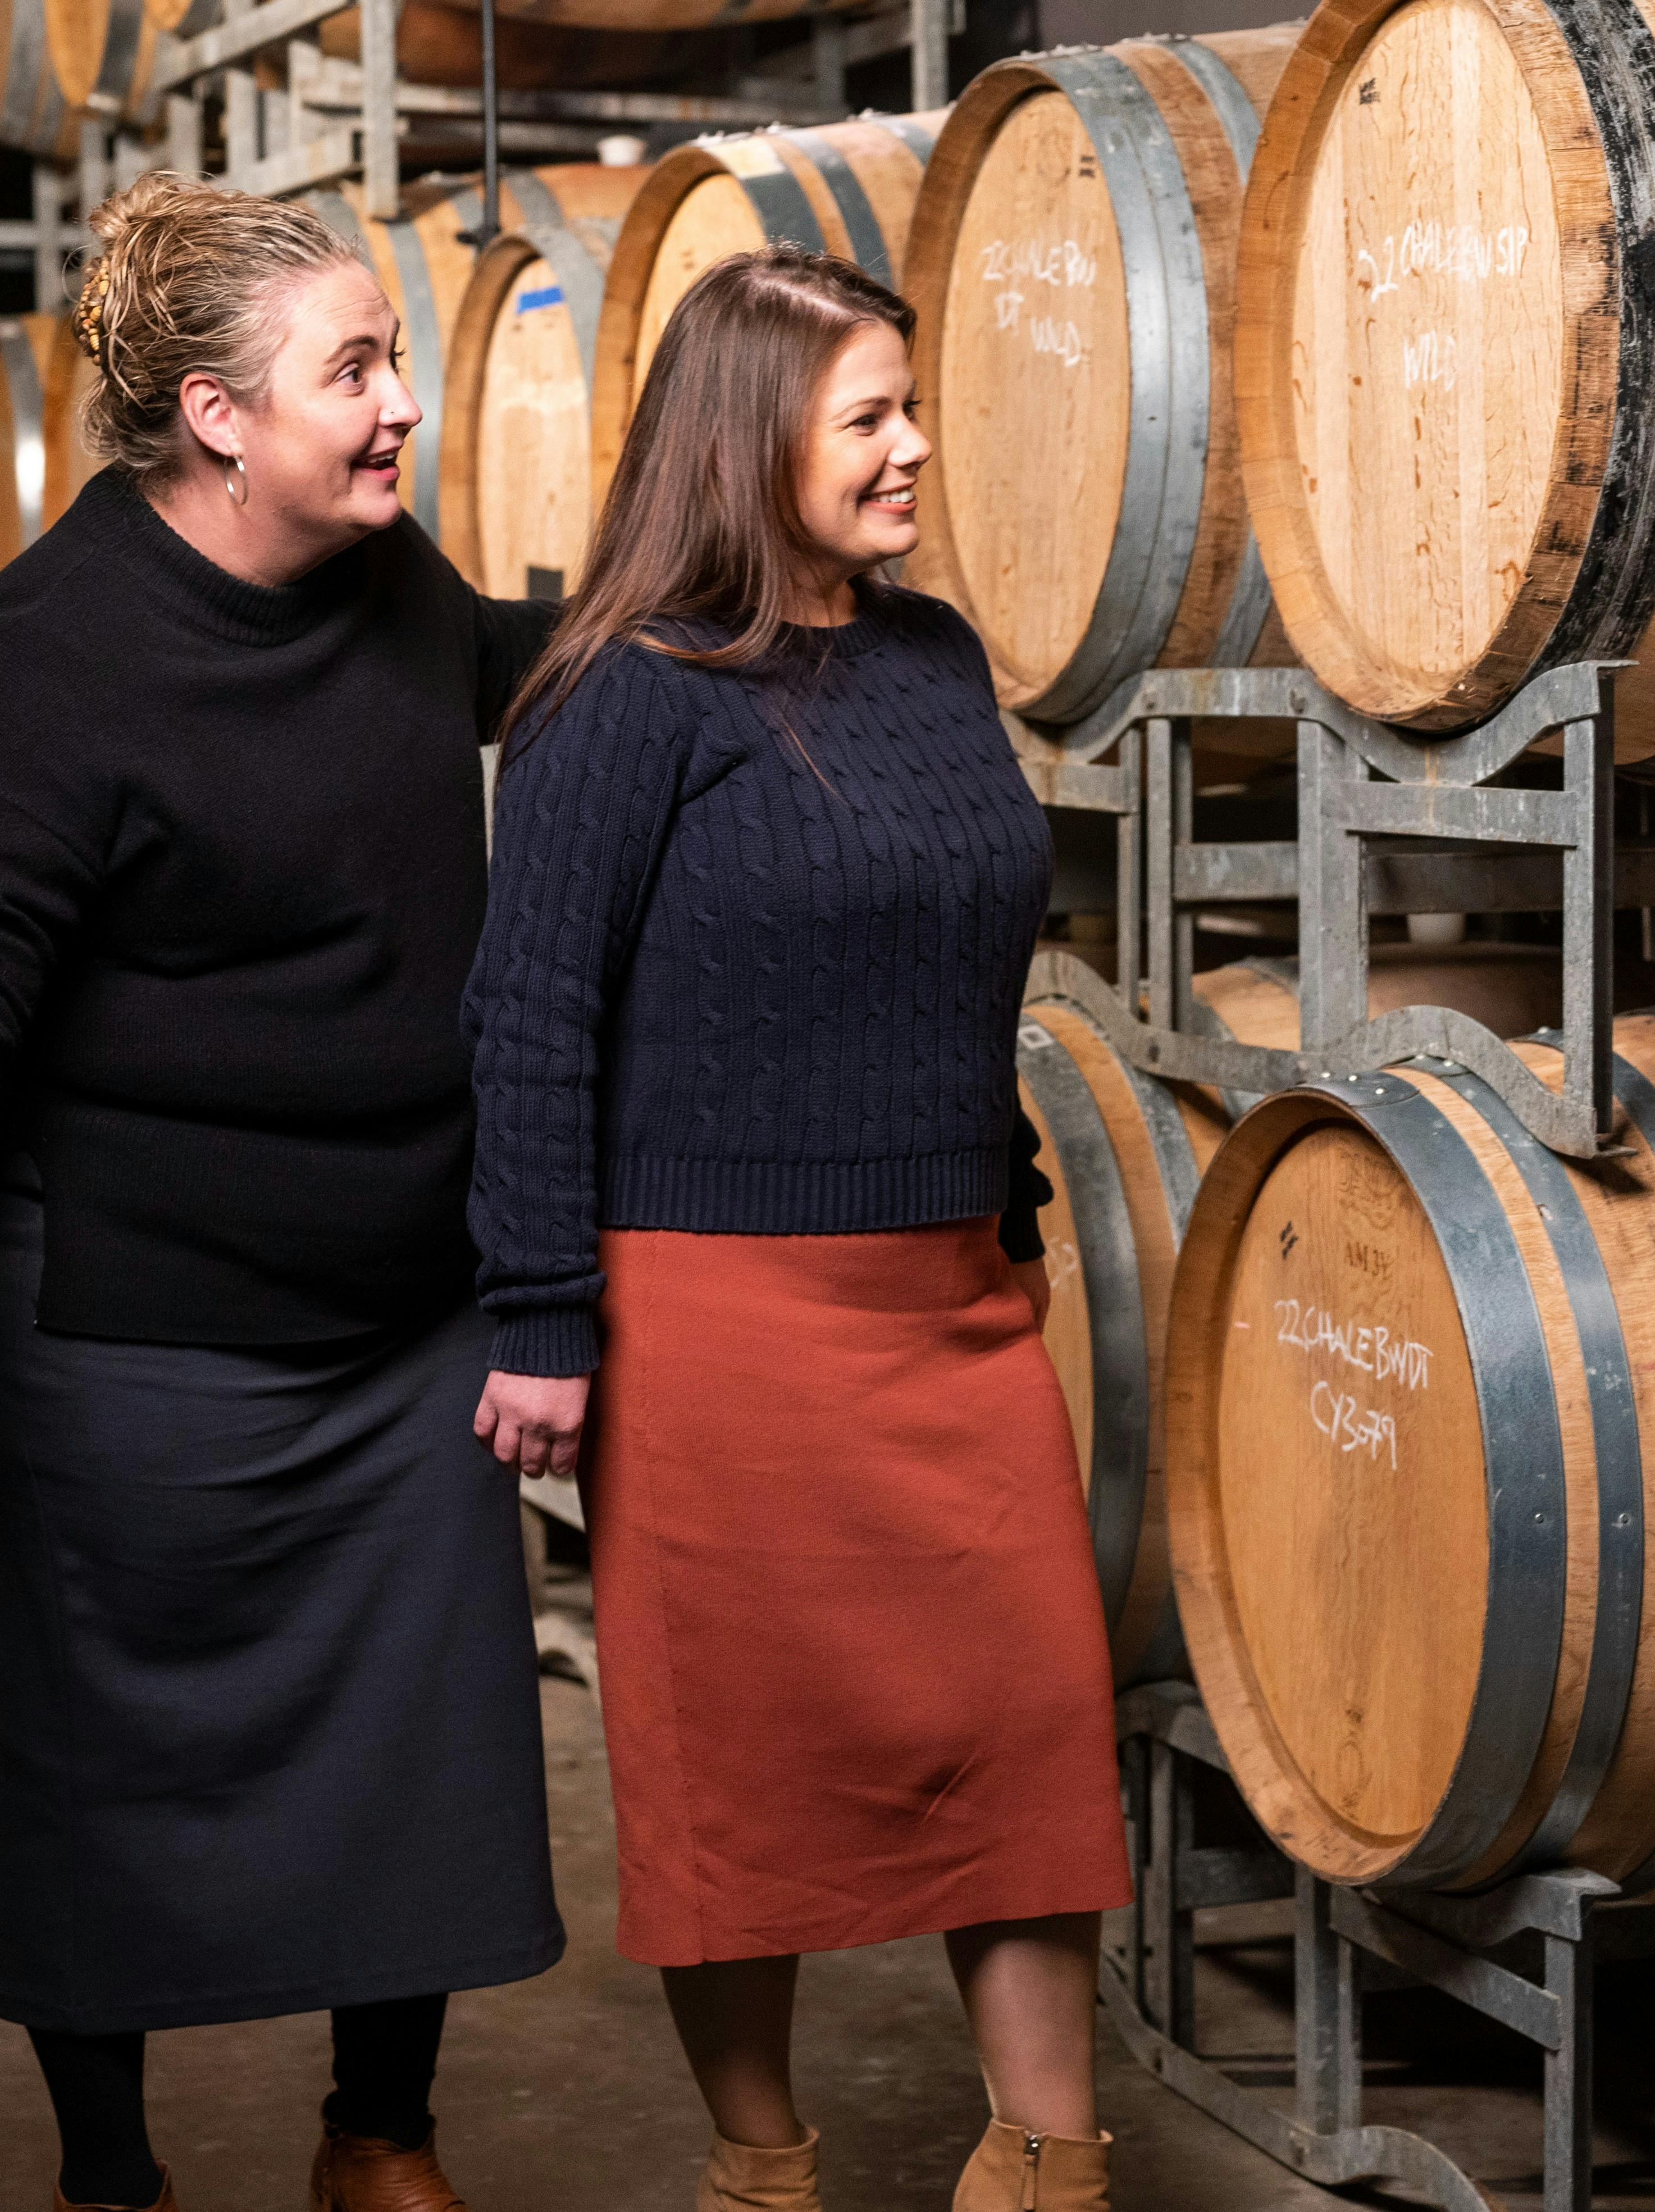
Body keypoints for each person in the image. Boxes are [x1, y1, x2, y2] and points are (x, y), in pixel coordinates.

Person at [0, 172, 564, 2212]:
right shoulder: (47, 654)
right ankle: (111, 2172)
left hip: (402, 1280)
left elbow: (517, 660)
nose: (404, 400)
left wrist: (700, 614)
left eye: (394, 355)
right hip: (120, 1296)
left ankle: (379, 2135)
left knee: (425, 1729)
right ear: (219, 417)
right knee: (116, 1752)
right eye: (357, 368)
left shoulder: (388, 581)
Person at [462, 242, 1128, 2212]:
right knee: (738, 1773)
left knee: (1025, 1733)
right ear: (752, 442)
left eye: (912, 405)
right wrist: (538, 1312)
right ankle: (764, 2172)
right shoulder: (619, 698)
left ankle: (1049, 2165)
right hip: (717, 1318)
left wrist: (989, 1208)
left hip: (949, 1299)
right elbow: (528, 1011)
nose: (918, 445)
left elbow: (953, 954)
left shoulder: (930, 661)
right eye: (873, 417)